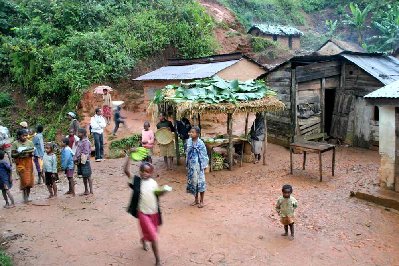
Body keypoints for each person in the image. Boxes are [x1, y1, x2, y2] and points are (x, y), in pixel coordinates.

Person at [124, 157, 164, 266]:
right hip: (143, 214)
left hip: (154, 213)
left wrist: (162, 192)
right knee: (153, 236)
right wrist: (129, 156)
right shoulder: (136, 180)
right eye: (142, 171)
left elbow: (156, 195)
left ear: (151, 173)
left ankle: (143, 239)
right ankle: (158, 261)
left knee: (151, 233)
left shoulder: (154, 183)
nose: (144, 173)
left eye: (147, 171)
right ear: (139, 172)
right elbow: (126, 171)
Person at [186, 126, 209, 208]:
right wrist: (187, 164)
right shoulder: (189, 141)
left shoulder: (201, 143)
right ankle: (196, 200)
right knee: (194, 183)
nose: (191, 134)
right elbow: (187, 153)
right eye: (190, 132)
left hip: (199, 166)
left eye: (193, 132)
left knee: (201, 183)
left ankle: (202, 201)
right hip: (192, 167)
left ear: (198, 134)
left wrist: (205, 165)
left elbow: (204, 155)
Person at [11, 129, 35, 203]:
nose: (25, 137)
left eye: (26, 135)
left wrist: (29, 154)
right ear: (19, 136)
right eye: (23, 136)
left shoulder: (30, 143)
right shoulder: (15, 143)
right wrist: (19, 153)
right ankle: (24, 197)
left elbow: (32, 153)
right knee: (24, 180)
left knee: (30, 181)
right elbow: (12, 155)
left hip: (29, 163)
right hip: (20, 163)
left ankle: (27, 196)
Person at [74, 128, 93, 195]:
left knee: (88, 176)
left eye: (79, 133)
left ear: (83, 134)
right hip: (80, 161)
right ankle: (86, 190)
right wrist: (75, 158)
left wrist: (80, 159)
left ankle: (91, 191)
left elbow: (86, 153)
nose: (78, 134)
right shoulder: (79, 141)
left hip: (85, 161)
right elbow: (77, 151)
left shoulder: (86, 142)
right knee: (84, 176)